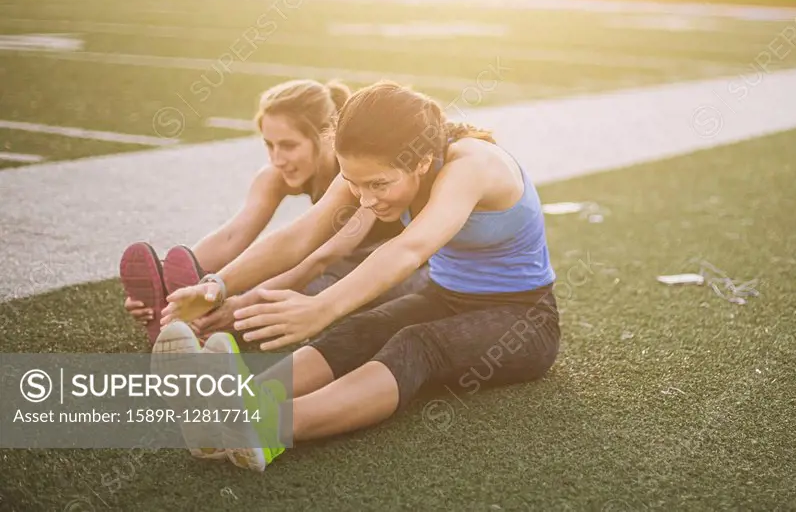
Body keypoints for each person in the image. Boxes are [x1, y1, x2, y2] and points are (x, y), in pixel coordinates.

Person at [155, 80, 562, 471]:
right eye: (355, 184)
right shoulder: (372, 165)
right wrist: (218, 284)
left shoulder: (473, 166)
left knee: (416, 344)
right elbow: (302, 235)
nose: (365, 199)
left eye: (378, 185)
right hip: (445, 295)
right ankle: (236, 406)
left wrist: (321, 308)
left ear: (420, 161)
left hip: (524, 318)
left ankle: (272, 425)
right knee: (361, 329)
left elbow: (409, 248)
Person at [121, 79, 427, 345]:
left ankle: (214, 325)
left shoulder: (361, 172)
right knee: (257, 286)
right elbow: (232, 236)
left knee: (293, 294)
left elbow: (321, 258)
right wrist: (176, 287)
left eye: (289, 145)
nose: (277, 158)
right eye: (270, 145)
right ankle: (186, 317)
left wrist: (241, 305)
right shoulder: (275, 175)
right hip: (339, 264)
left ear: (326, 137)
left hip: (403, 268)